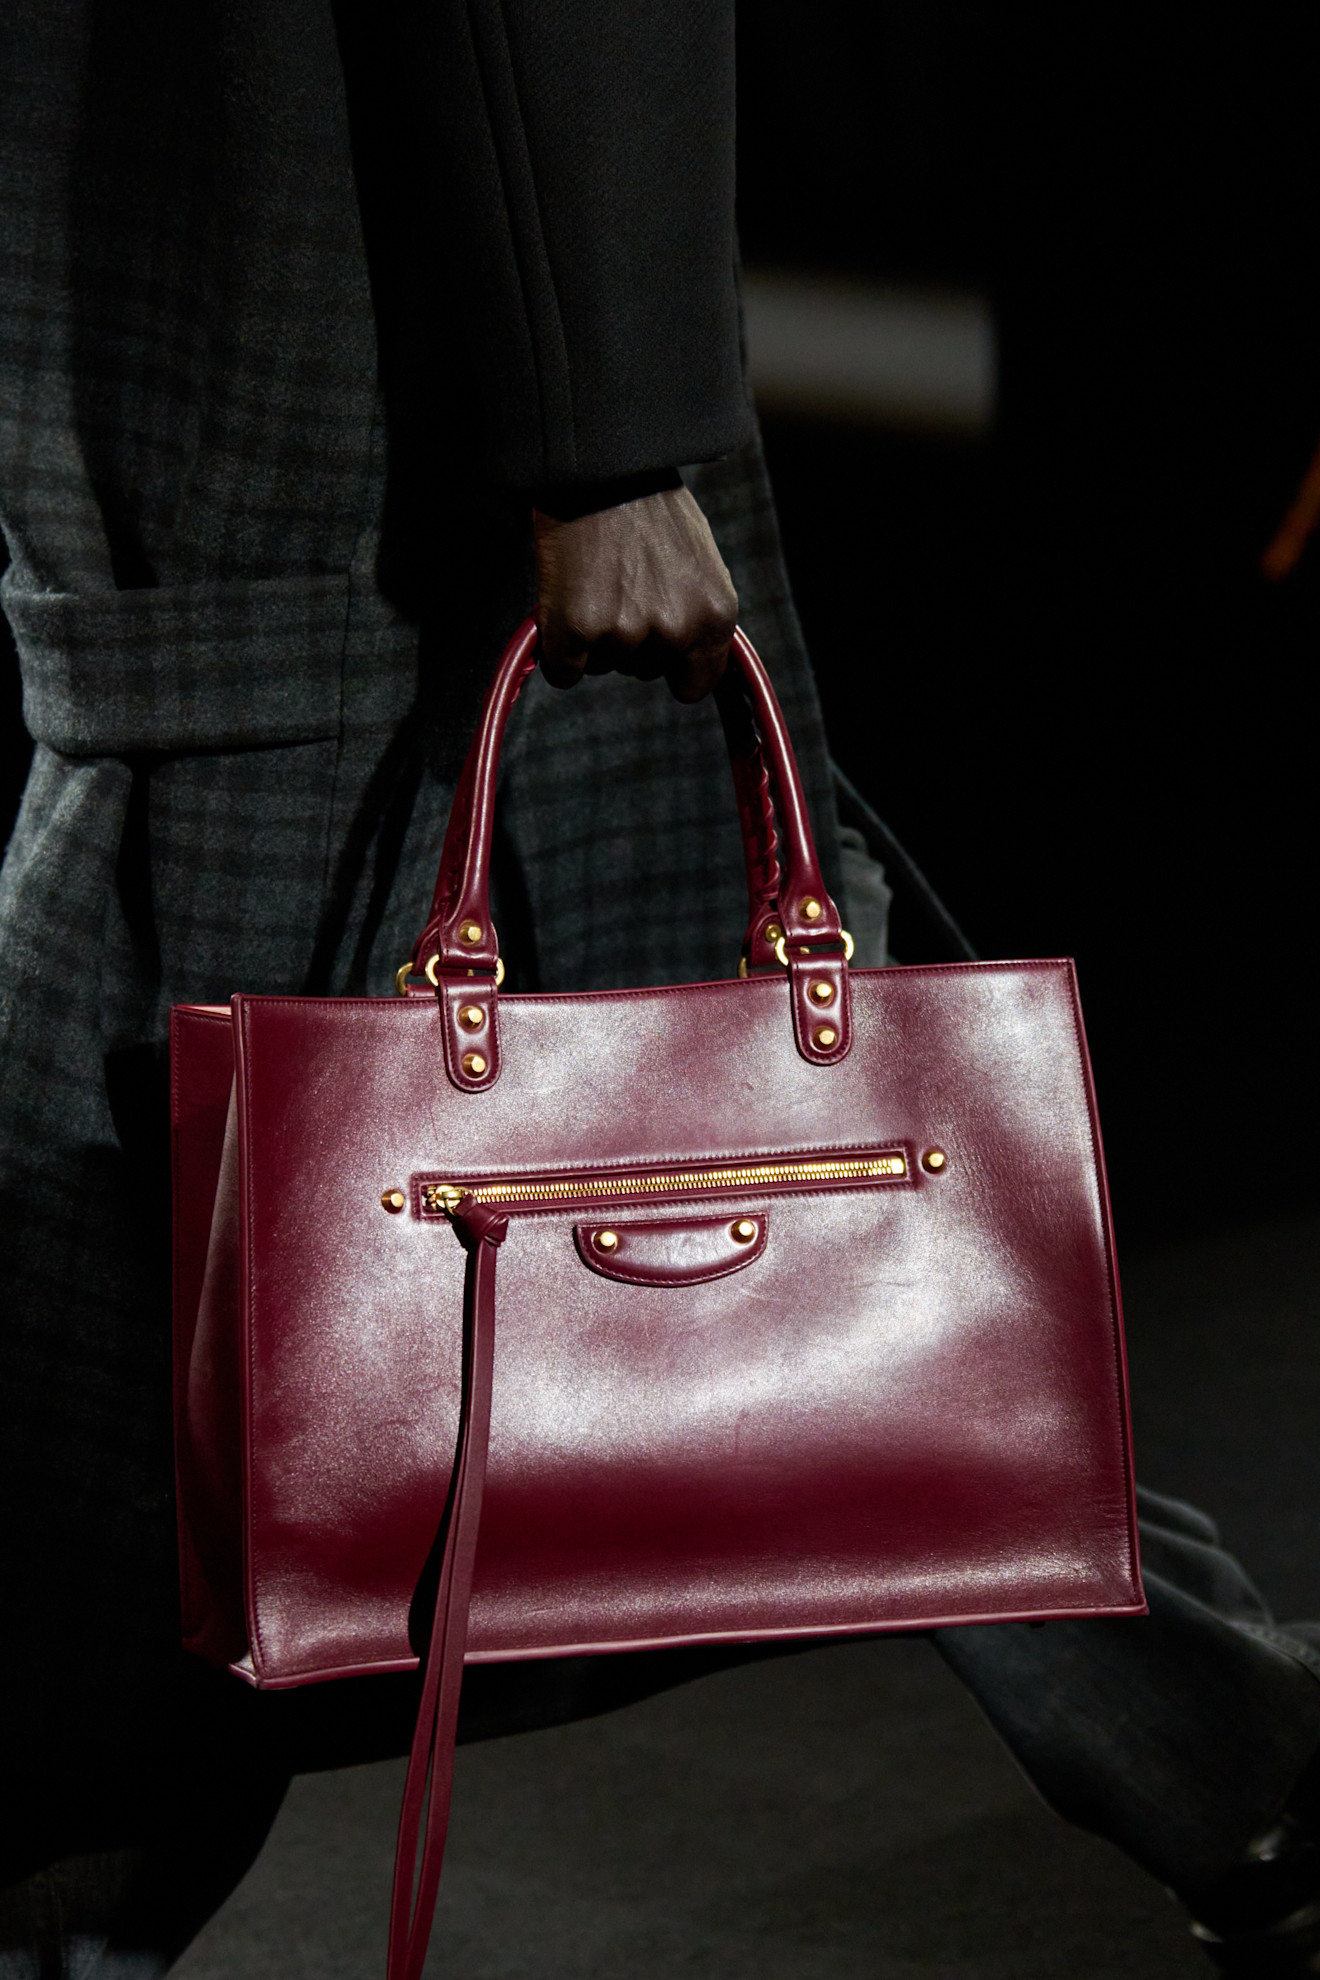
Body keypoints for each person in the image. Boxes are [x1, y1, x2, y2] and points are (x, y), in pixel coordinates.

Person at [0, 3, 1316, 1975]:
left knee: (800, 1211)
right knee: (796, 1236)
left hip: (383, 434)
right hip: (246, 429)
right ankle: (1257, 1777)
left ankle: (1258, 1776)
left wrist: (609, 439)